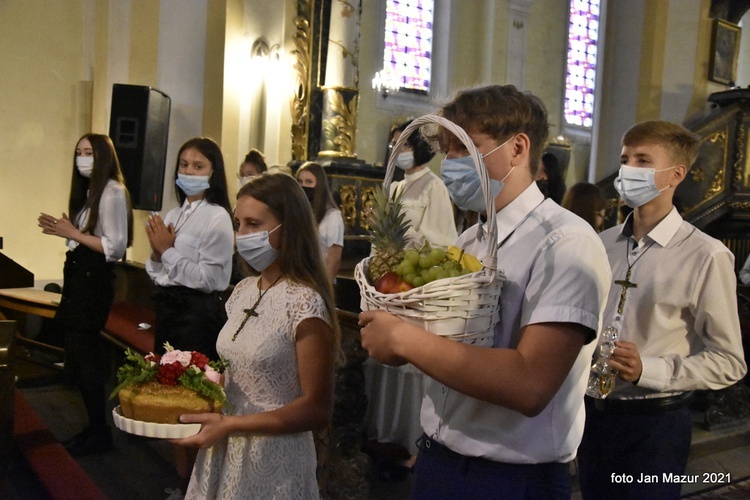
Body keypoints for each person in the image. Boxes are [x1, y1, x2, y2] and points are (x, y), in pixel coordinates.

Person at [359, 85, 611, 498]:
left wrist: (404, 339)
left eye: (468, 148)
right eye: (449, 152)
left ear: (518, 148)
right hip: (440, 457)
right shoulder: (470, 241)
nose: (454, 164)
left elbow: (530, 384)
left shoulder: (566, 242)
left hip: (508, 478)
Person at [578, 120, 747, 500]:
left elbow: (730, 361)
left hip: (655, 426)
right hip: (593, 415)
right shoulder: (600, 244)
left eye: (642, 159)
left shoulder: (705, 256)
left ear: (676, 174)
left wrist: (648, 369)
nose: (628, 170)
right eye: (624, 159)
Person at [177, 172, 340, 499]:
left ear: (288, 227)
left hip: (274, 458)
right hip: (224, 446)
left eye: (253, 224)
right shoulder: (243, 290)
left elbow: (317, 409)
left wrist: (232, 425)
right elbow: (235, 370)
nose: (241, 235)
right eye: (239, 224)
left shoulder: (304, 301)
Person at [38, 133, 133, 457]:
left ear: (103, 155)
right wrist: (66, 231)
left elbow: (114, 247)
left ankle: (99, 431)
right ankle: (93, 427)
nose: (82, 157)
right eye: (79, 152)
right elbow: (85, 238)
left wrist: (74, 233)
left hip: (94, 280)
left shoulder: (113, 191)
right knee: (77, 356)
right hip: (79, 275)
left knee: (86, 356)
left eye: (89, 152)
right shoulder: (92, 192)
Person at [388, 119, 458, 249]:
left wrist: (398, 228)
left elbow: (441, 242)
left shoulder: (435, 187)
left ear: (419, 146)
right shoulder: (396, 188)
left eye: (405, 144)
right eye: (394, 144)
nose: (397, 150)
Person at [296, 161, 344, 283]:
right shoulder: (297, 213)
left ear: (320, 185)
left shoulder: (333, 216)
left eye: (309, 182)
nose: (303, 186)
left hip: (318, 282)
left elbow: (334, 258)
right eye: (300, 182)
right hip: (297, 280)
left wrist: (324, 290)